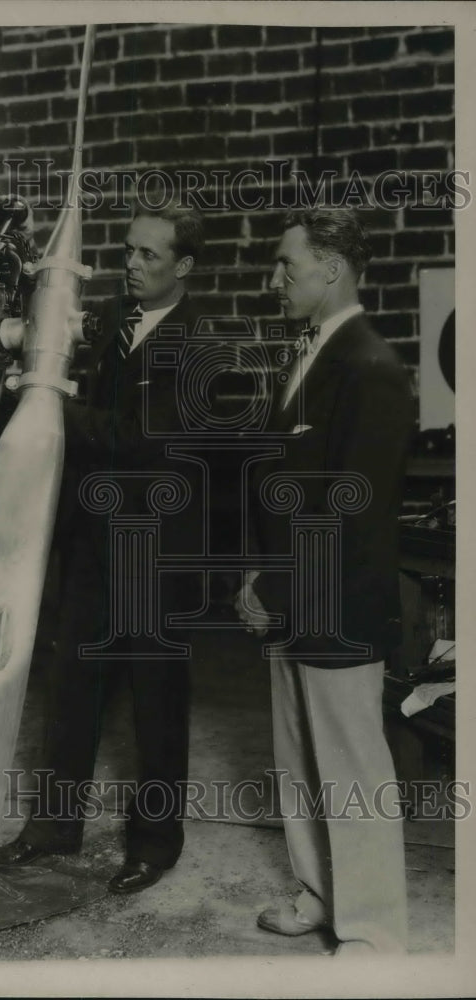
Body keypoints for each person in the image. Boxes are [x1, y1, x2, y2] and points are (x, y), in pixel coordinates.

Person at [0, 202, 206, 894]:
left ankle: (154, 842)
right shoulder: (112, 323)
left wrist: (43, 395)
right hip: (91, 544)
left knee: (155, 702)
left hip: (155, 552)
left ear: (184, 267)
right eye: (127, 251)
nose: (131, 265)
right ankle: (54, 826)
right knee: (72, 691)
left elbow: (141, 438)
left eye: (149, 255)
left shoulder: (198, 342)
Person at [236, 208, 413, 954]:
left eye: (287, 264)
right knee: (300, 761)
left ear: (332, 267)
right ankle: (319, 894)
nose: (276, 279)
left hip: (337, 604)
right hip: (290, 600)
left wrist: (273, 588)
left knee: (350, 768)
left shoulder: (369, 367)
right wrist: (259, 574)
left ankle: (372, 937)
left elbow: (350, 508)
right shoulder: (308, 354)